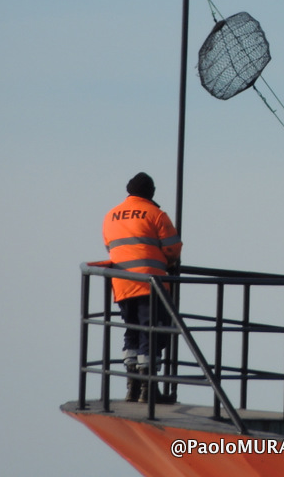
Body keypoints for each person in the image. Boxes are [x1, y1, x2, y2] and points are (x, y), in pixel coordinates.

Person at [102, 172, 183, 403]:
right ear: (151, 192)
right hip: (150, 283)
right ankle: (149, 390)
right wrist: (168, 263)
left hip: (122, 283)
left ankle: (132, 387)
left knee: (132, 330)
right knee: (152, 331)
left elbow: (110, 246)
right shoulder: (156, 214)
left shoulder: (111, 216)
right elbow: (173, 248)